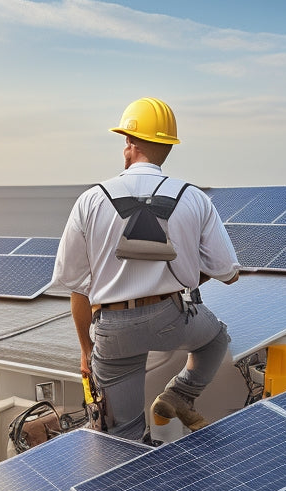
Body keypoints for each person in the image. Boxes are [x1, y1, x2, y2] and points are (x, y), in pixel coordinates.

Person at [52, 97, 239, 441]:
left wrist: (85, 350)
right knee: (215, 340)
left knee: (123, 435)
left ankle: (137, 476)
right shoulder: (195, 198)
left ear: (129, 143)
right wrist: (182, 275)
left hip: (113, 330)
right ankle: (178, 395)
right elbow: (228, 271)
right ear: (168, 147)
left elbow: (77, 288)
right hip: (172, 318)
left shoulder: (90, 200)